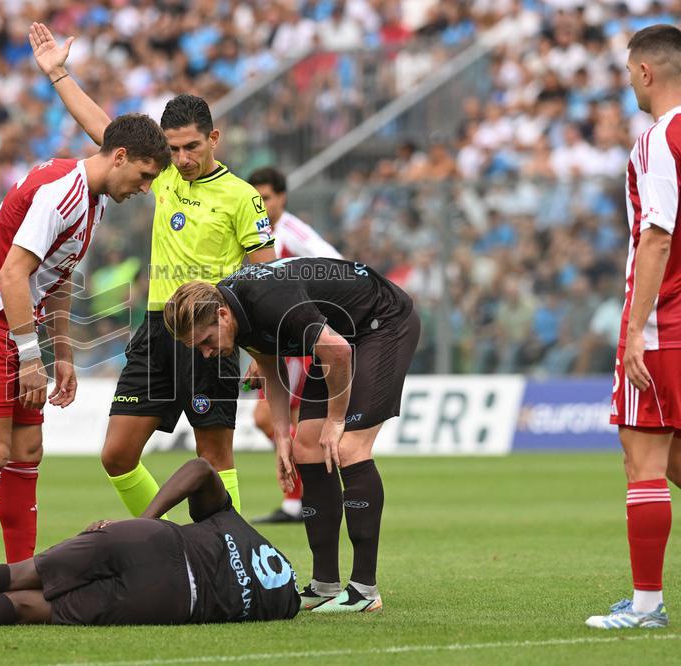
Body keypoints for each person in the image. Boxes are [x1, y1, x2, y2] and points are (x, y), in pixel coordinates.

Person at [30, 23, 277, 518]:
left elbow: (264, 278)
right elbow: (104, 131)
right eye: (173, 148)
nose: (181, 159)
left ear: (214, 138)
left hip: (209, 334)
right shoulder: (161, 173)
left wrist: (262, 351)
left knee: (214, 456)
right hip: (156, 330)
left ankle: (231, 559)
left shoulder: (242, 196)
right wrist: (59, 75)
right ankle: (170, 541)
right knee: (117, 456)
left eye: (191, 147)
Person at [0, 113, 170, 564]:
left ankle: (21, 573)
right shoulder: (61, 194)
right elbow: (11, 274)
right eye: (144, 176)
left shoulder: (95, 199)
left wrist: (62, 353)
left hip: (20, 321)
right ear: (119, 156)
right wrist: (31, 358)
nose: (145, 189)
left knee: (28, 450)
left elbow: (57, 276)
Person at [164, 257, 420, 613]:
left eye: (206, 341)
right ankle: (325, 585)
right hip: (339, 336)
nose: (206, 352)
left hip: (381, 325)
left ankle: (364, 589)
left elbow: (338, 352)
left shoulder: (268, 300)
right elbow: (270, 363)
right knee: (305, 449)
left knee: (348, 448)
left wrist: (335, 421)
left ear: (222, 316)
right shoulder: (232, 309)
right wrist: (283, 436)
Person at [0, 458, 300, 629]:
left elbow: (199, 470)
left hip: (147, 539)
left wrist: (145, 523)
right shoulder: (282, 602)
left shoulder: (234, 524)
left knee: (16, 572)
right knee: (24, 606)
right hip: (171, 598)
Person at [586, 24, 681, 631]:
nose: (627, 80)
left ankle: (646, 606)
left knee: (643, 459)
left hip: (666, 323)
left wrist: (634, 331)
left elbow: (657, 233)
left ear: (645, 72)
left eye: (627, 71)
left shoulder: (657, 140)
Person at [245, 166, 343, 524]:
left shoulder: (294, 233)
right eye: (255, 198)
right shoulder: (253, 233)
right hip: (274, 342)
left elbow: (337, 266)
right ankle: (303, 499)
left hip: (298, 342)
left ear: (282, 198)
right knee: (272, 421)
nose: (261, 204)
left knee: (288, 421)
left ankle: (306, 499)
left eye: (266, 197)